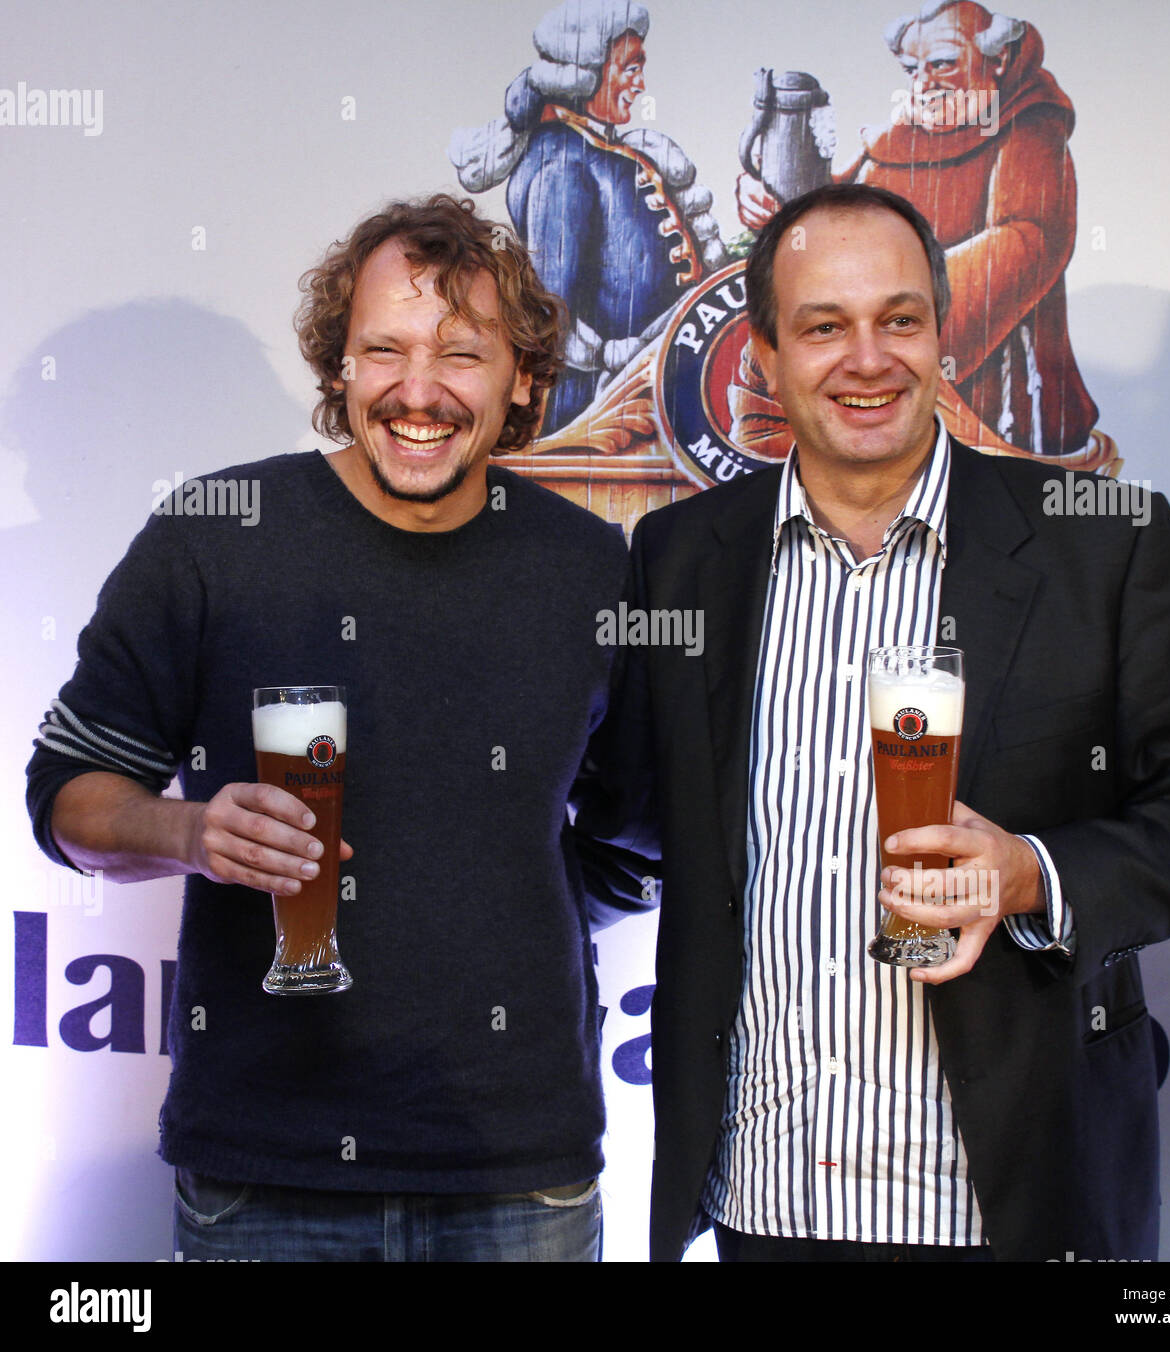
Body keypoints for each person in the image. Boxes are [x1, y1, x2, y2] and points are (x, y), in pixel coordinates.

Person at [579, 182, 1170, 1261]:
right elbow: (626, 825)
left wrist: (1031, 871)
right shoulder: (678, 559)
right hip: (767, 1201)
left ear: (942, 332)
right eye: (823, 326)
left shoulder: (1101, 543)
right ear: (762, 353)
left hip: (1004, 1208)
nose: (868, 359)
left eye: (898, 319)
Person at [25, 194, 645, 1262]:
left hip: (518, 1170)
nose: (418, 389)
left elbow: (636, 838)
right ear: (338, 369)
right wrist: (188, 832)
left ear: (524, 380)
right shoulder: (214, 540)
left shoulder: (593, 568)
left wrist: (499, 905)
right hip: (264, 1167)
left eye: (461, 353)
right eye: (383, 350)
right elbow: (67, 793)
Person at [737, 1, 1098, 459]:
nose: (924, 83)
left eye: (943, 63)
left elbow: (1027, 241)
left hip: (988, 404)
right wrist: (774, 209)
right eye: (914, 68)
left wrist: (902, 325)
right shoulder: (904, 133)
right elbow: (833, 212)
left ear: (998, 59)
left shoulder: (1029, 127)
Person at [449, 0, 725, 433]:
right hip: (593, 405)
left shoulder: (603, 150)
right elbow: (551, 312)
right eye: (630, 69)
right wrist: (614, 357)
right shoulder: (560, 163)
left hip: (649, 393)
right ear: (588, 72)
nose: (640, 85)